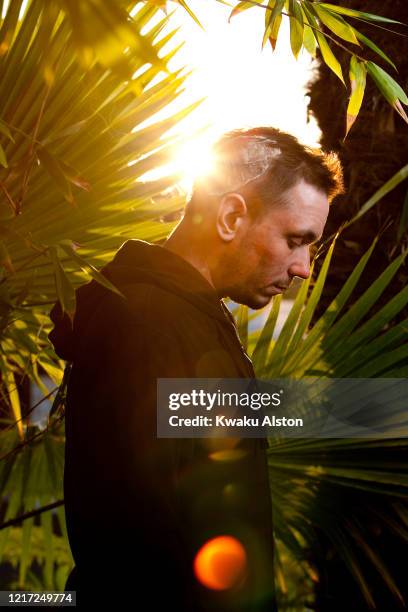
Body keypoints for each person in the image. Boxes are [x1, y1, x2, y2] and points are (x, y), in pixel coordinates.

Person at [48, 126, 343, 610]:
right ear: (230, 216)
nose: (304, 267)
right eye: (296, 240)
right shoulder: (149, 325)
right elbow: (134, 546)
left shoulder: (185, 314)